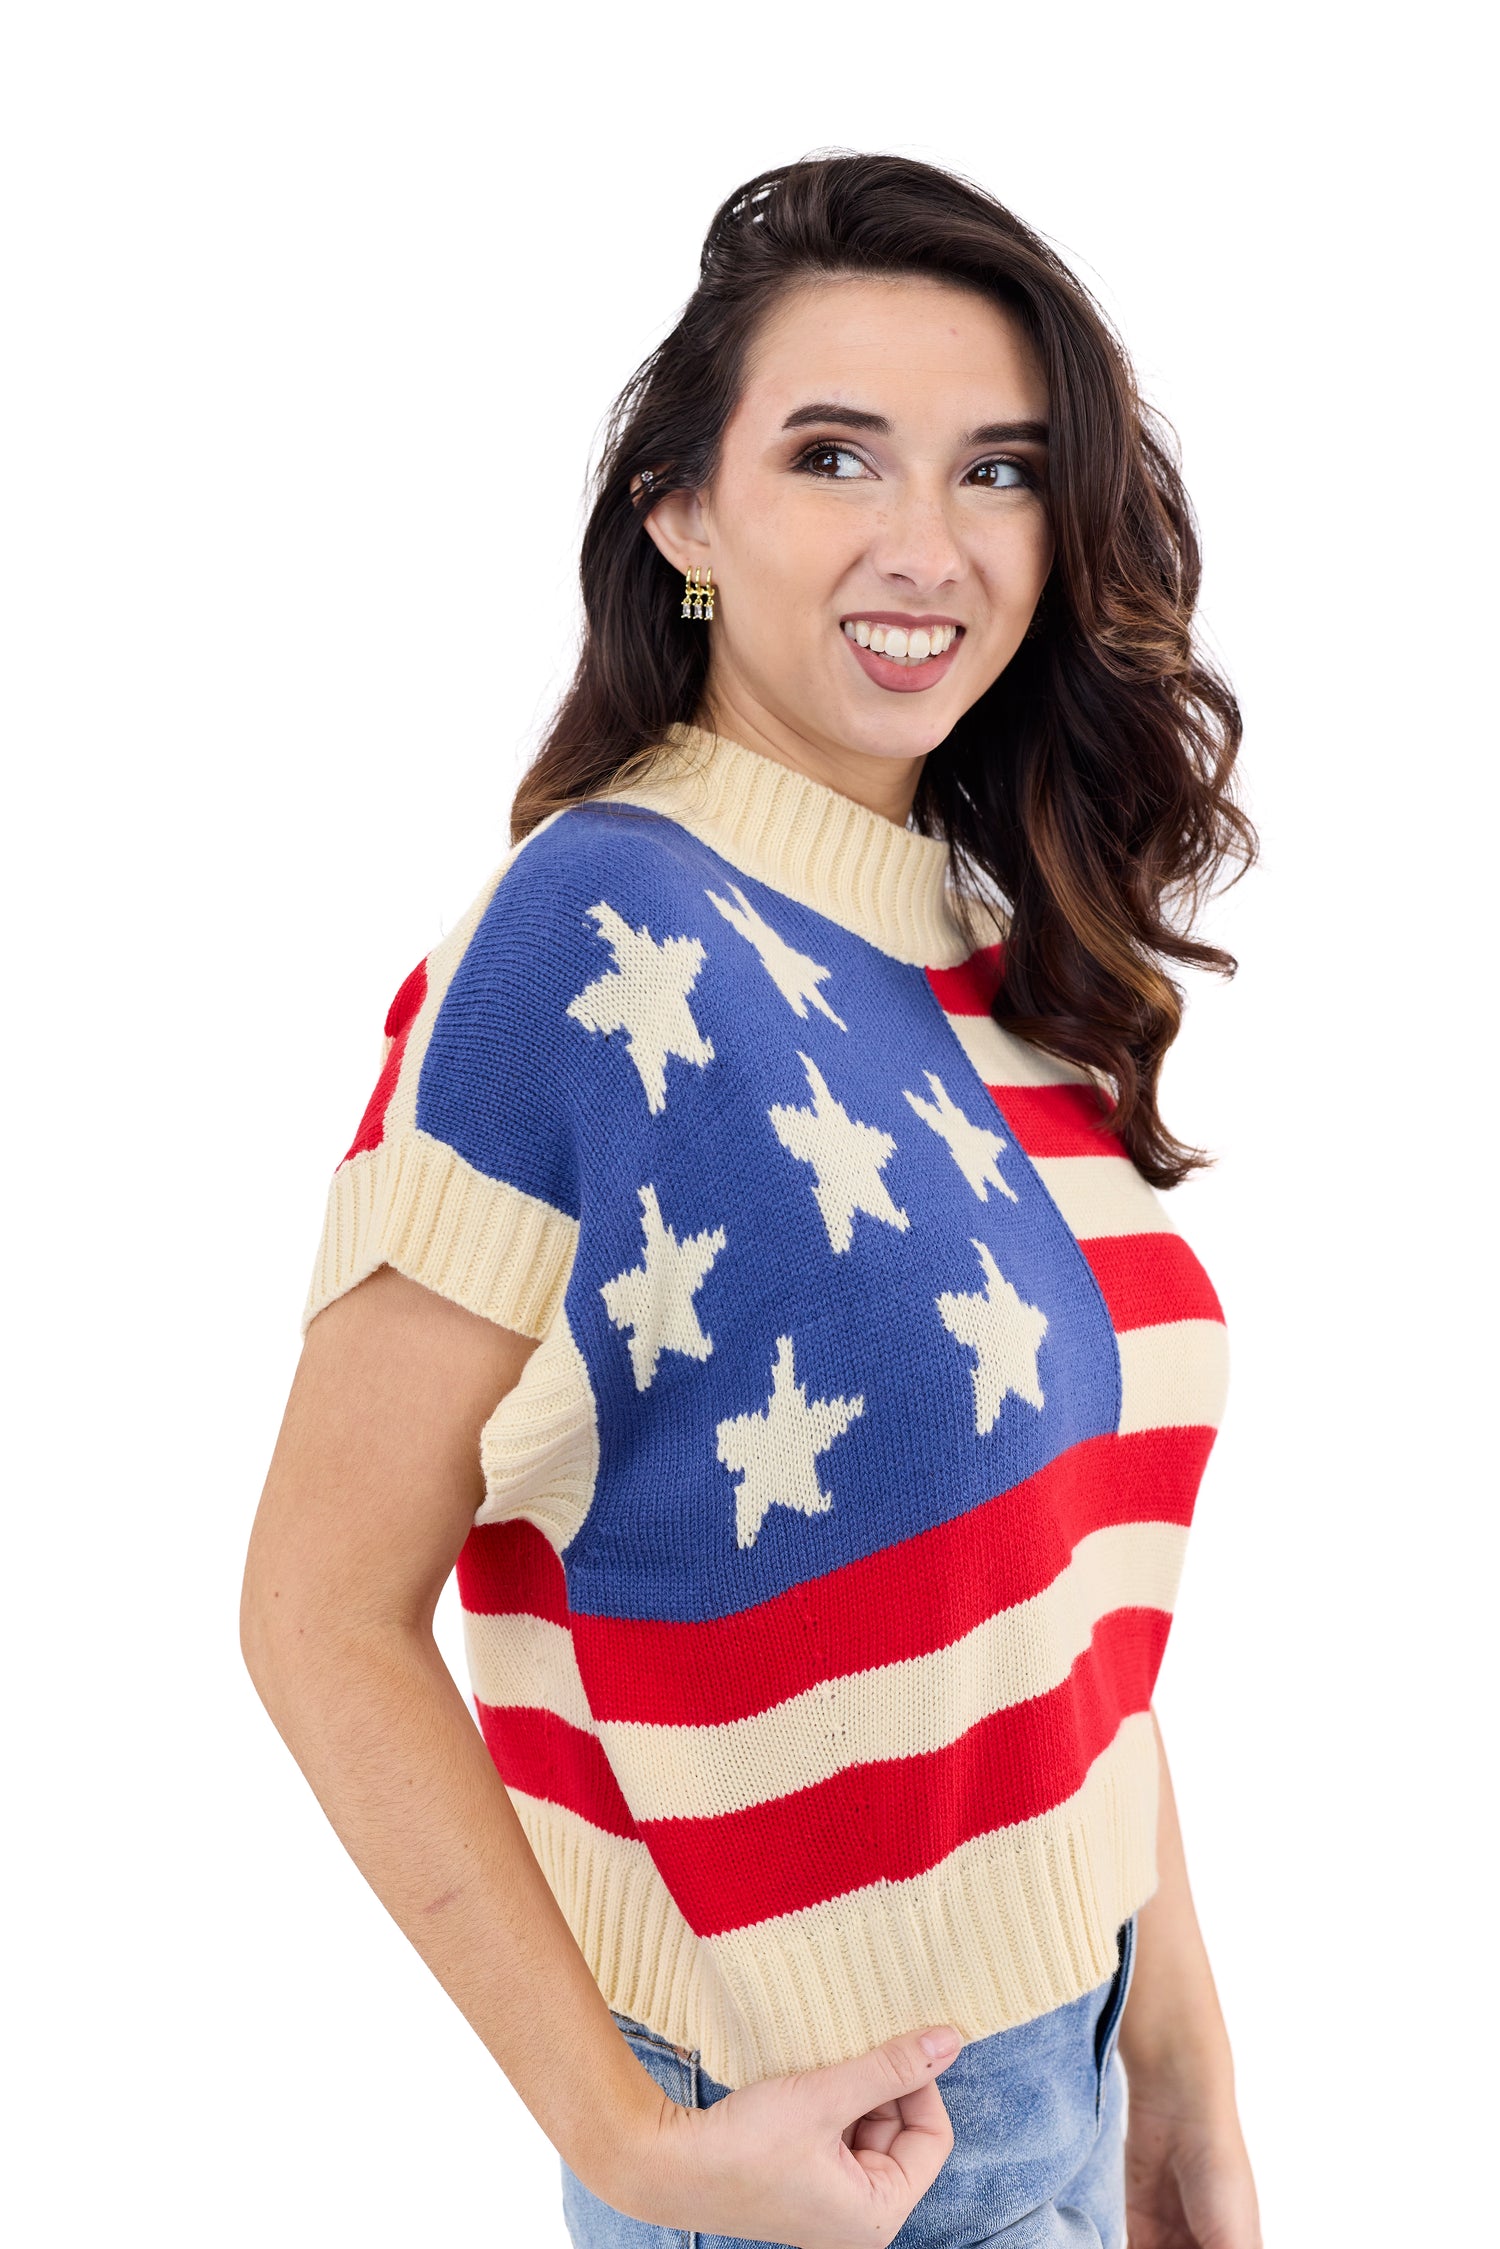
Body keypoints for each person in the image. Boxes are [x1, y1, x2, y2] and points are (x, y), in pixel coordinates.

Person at [241, 152, 1263, 2249]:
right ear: (682, 515)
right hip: (815, 2154)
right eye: (833, 456)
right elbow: (317, 1609)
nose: (927, 543)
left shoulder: (992, 954)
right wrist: (634, 2142)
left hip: (1071, 2080)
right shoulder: (593, 937)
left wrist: (1175, 2063)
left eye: (998, 469)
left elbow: (1063, 1615)